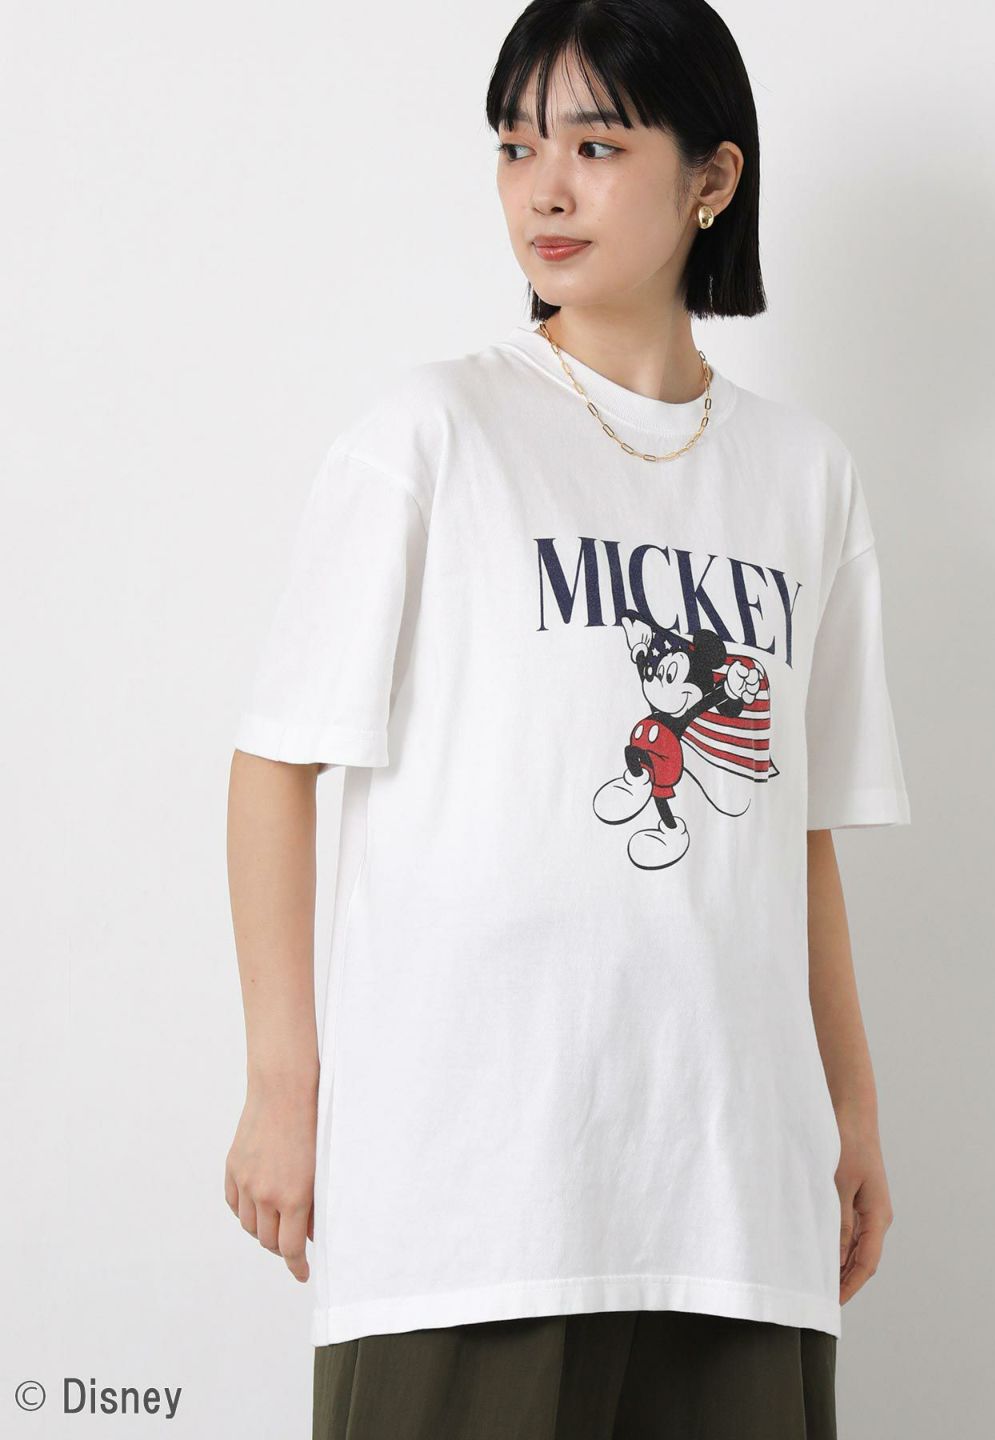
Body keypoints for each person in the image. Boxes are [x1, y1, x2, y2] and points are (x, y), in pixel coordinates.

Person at [225, 2, 911, 1436]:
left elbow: (799, 836)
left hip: (732, 1193)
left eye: (596, 147)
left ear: (711, 179)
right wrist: (285, 1089)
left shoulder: (806, 477)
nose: (544, 189)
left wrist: (849, 1112)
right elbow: (276, 762)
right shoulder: (433, 433)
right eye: (515, 146)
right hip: (470, 1196)